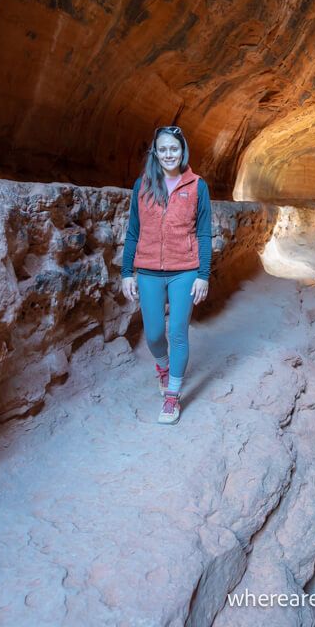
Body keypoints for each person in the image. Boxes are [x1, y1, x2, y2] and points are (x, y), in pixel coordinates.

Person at [120, 125, 212, 425]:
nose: (169, 154)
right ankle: (163, 366)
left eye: (174, 148)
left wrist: (203, 275)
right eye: (163, 149)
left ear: (182, 151)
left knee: (177, 334)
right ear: (156, 153)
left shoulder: (197, 186)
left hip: (184, 271)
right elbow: (133, 231)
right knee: (155, 334)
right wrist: (126, 272)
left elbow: (203, 234)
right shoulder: (142, 186)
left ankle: (172, 397)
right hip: (147, 271)